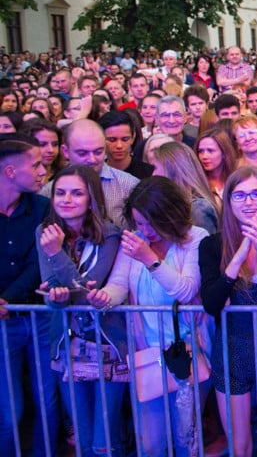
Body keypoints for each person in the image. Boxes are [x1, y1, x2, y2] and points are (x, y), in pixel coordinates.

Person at [87, 176, 212, 457]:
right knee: (150, 442)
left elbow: (187, 289)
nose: (145, 230)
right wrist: (103, 297)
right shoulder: (135, 241)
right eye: (139, 223)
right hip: (147, 354)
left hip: (189, 352)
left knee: (187, 436)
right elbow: (119, 283)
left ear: (170, 215)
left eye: (150, 223)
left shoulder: (196, 239)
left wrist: (149, 259)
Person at [199, 167, 257, 457]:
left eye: (256, 194)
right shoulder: (212, 245)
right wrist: (239, 254)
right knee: (239, 447)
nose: (248, 201)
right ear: (227, 201)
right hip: (232, 350)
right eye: (239, 195)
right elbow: (212, 303)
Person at [38, 165, 125, 457]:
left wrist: (55, 254)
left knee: (104, 440)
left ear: (91, 198)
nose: (67, 199)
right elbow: (52, 290)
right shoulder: (45, 231)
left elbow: (89, 289)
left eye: (77, 193)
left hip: (107, 342)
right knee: (83, 438)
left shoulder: (110, 233)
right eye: (60, 193)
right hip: (64, 342)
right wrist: (56, 296)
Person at [0, 136, 58, 455]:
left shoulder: (41, 207)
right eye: (34, 164)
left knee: (46, 402)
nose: (42, 169)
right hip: (2, 324)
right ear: (10, 171)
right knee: (9, 414)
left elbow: (41, 261)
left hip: (39, 317)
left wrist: (7, 298)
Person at [43, 118, 140, 226]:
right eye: (82, 153)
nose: (92, 159)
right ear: (65, 151)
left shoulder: (129, 185)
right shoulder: (50, 191)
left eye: (98, 152)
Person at [152, 141, 220, 236]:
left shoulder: (198, 209)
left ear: (172, 170)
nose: (153, 174)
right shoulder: (170, 204)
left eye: (155, 168)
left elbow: (203, 249)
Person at [195, 128, 238, 200]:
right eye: (201, 151)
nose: (204, 156)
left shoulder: (237, 179)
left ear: (224, 152)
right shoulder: (196, 182)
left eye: (210, 151)